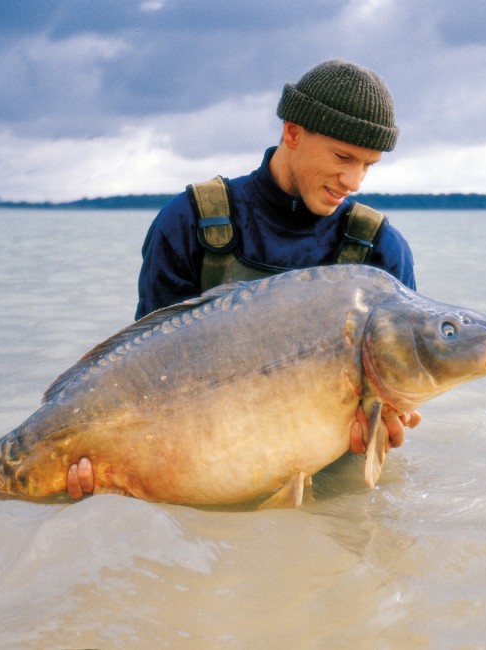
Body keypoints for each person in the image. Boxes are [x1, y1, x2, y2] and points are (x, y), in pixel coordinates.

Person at [66, 59, 421, 499]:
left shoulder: (382, 252)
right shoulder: (190, 221)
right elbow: (140, 373)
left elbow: (390, 406)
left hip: (332, 490)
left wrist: (389, 423)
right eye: (343, 157)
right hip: (199, 479)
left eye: (368, 165)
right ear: (292, 132)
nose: (353, 181)